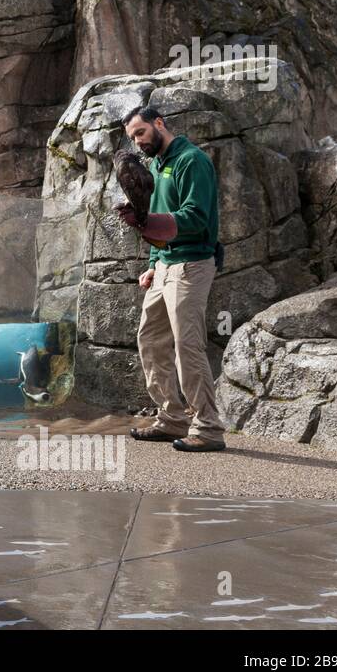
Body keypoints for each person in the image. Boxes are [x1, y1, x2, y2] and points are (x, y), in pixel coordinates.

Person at [115, 106, 226, 453]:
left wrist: (145, 224)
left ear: (159, 124)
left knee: (187, 348)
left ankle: (207, 428)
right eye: (132, 137)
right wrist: (152, 262)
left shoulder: (191, 161)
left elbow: (194, 217)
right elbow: (157, 223)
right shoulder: (154, 165)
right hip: (164, 266)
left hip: (192, 264)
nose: (137, 142)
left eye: (141, 133)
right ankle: (172, 418)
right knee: (150, 340)